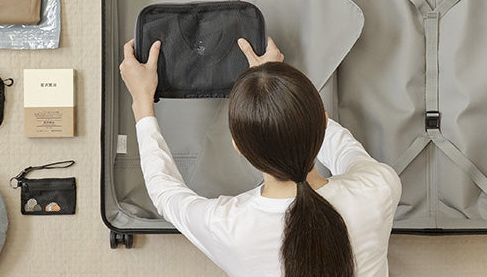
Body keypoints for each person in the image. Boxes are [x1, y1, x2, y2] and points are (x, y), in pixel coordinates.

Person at [120, 36, 402, 277]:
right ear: (324, 121)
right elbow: (343, 147)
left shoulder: (230, 227)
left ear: (238, 147)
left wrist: (142, 100)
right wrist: (279, 88)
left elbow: (165, 193)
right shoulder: (379, 187)